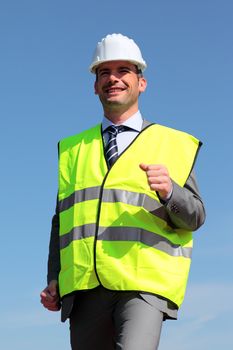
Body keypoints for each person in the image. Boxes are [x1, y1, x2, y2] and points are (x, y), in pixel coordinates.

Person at [40, 33, 206, 350]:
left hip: (142, 287)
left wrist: (171, 192)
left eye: (123, 71)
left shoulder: (173, 144)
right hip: (85, 290)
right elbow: (61, 221)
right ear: (95, 85)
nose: (113, 79)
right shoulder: (74, 150)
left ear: (141, 83)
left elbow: (195, 216)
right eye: (105, 72)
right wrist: (55, 277)